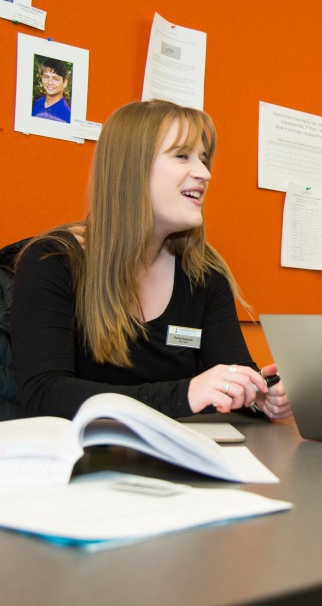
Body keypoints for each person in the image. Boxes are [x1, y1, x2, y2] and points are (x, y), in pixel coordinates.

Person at [12, 99, 292, 422]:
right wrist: (185, 394)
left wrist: (260, 395)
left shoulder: (203, 275)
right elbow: (44, 395)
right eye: (182, 156)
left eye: (203, 159)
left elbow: (232, 375)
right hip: (80, 462)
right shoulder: (52, 261)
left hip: (177, 462)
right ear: (132, 168)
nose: (204, 173)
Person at [31, 58, 72, 123]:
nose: (49, 82)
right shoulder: (38, 103)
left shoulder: (67, 115)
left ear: (64, 83)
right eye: (46, 77)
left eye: (55, 79)